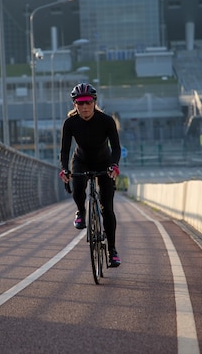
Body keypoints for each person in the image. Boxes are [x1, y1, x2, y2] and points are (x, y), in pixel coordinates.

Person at [59, 83, 122, 267]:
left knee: (107, 208)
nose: (84, 106)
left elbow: (116, 148)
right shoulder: (70, 123)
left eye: (88, 102)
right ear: (74, 105)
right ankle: (81, 210)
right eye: (80, 103)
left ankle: (112, 251)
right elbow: (64, 150)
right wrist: (64, 169)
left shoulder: (106, 121)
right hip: (81, 160)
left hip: (104, 163)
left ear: (94, 102)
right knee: (78, 187)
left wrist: (114, 166)